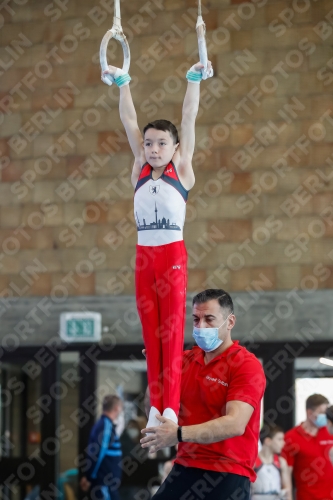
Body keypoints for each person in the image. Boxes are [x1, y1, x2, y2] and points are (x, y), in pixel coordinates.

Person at [102, 60, 213, 429]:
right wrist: (123, 83)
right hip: (143, 257)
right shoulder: (138, 168)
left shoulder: (182, 169)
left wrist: (193, 79)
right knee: (151, 335)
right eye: (148, 143)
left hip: (171, 257)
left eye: (161, 143)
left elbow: (189, 115)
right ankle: (154, 407)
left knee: (170, 333)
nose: (152, 148)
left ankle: (170, 408)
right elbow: (129, 121)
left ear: (175, 147)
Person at [140, 288, 266, 500]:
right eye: (196, 319)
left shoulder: (245, 365)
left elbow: (235, 424)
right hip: (186, 464)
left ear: (230, 322)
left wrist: (179, 433)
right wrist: (155, 372)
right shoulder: (184, 361)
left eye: (209, 319)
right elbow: (153, 410)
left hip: (228, 470)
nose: (201, 326)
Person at [282, 393, 333, 500]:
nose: (326, 417)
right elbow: (286, 473)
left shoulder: (329, 432)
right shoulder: (291, 437)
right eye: (322, 413)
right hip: (307, 497)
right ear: (310, 413)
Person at [80, 395, 123, 500]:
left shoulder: (103, 425)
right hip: (104, 483)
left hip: (106, 483)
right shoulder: (105, 426)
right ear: (116, 408)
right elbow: (97, 453)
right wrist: (89, 477)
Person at [251, 425, 292, 500]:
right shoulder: (253, 462)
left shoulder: (281, 462)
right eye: (280, 439)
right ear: (268, 441)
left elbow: (287, 491)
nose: (283, 443)